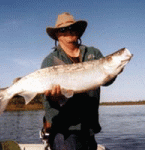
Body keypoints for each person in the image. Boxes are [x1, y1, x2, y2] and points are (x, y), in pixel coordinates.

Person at [41, 12, 115, 150]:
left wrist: (115, 71)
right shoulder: (50, 61)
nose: (69, 31)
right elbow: (46, 100)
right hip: (63, 130)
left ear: (79, 31)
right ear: (57, 35)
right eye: (63, 29)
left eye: (73, 27)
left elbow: (106, 81)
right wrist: (54, 97)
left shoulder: (93, 53)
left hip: (89, 128)